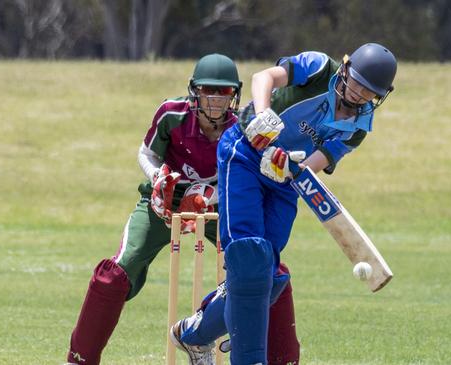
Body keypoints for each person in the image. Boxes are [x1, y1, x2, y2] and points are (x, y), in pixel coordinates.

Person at [66, 54, 300, 365]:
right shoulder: (171, 114)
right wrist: (157, 178)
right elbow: (146, 153)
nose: (215, 100)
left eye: (224, 92)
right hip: (164, 203)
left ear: (235, 95)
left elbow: (249, 176)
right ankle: (79, 359)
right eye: (208, 91)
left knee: (264, 270)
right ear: (194, 91)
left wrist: (209, 196)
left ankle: (280, 359)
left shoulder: (244, 125)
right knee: (120, 269)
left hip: (221, 206)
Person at [171, 43, 397, 364]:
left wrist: (288, 165)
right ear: (345, 69)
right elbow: (264, 77)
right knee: (249, 256)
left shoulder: (360, 125)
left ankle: (194, 335)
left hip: (283, 180)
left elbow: (314, 165)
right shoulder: (320, 67)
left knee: (269, 277)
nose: (359, 94)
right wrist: (263, 115)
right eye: (357, 82)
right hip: (245, 153)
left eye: (369, 92)